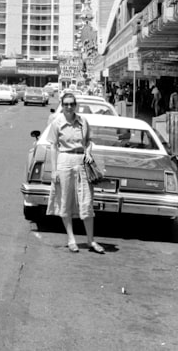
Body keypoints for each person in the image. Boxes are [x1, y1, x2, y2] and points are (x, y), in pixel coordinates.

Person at [39, 91, 105, 254]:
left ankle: (91, 240)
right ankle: (71, 239)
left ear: (76, 105)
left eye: (72, 104)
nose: (69, 107)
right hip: (64, 161)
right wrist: (54, 170)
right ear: (62, 105)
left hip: (81, 162)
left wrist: (88, 152)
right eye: (66, 104)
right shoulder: (57, 123)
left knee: (86, 201)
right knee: (65, 200)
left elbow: (88, 142)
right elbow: (53, 146)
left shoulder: (83, 121)